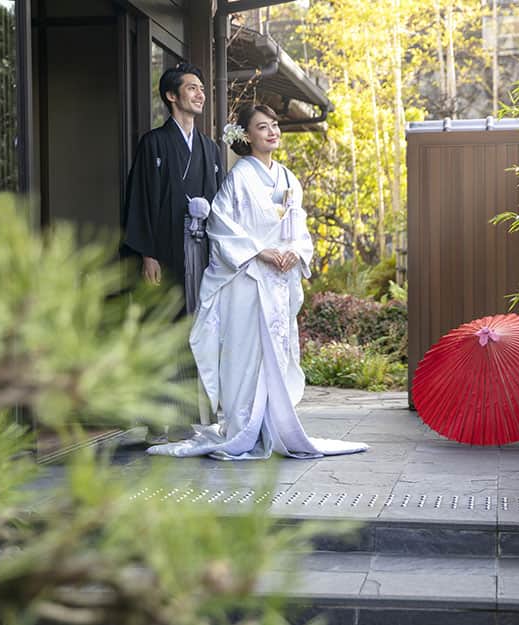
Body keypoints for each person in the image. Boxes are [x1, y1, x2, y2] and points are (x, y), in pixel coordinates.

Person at [147, 105, 368, 460]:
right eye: (262, 127)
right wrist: (260, 251)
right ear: (247, 137)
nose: (272, 132)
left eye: (274, 126)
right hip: (248, 276)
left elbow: (299, 226)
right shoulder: (239, 177)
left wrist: (295, 251)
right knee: (248, 352)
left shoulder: (288, 178)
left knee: (276, 354)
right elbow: (220, 224)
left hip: (279, 279)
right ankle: (244, 425)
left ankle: (275, 425)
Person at [123, 62, 223, 433]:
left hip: (204, 251)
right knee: (166, 326)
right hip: (166, 249)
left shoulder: (211, 149)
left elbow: (222, 205)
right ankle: (159, 416)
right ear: (171, 96)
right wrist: (147, 252)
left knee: (202, 325)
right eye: (192, 88)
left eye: (201, 88)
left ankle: (201, 411)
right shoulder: (154, 144)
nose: (200, 94)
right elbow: (141, 201)